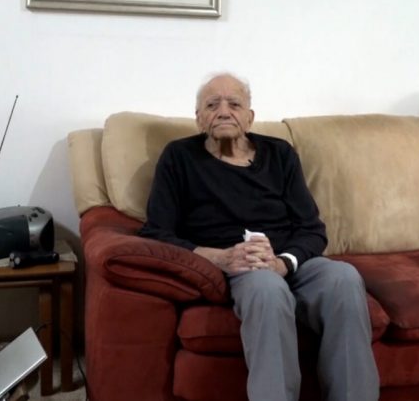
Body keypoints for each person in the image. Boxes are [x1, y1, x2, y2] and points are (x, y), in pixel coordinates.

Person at [138, 73, 379, 401]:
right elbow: (156, 233)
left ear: (250, 117)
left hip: (286, 260)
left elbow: (311, 229)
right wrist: (219, 257)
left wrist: (282, 263)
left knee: (344, 278)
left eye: (234, 104)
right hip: (235, 265)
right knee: (267, 289)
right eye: (212, 105)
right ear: (198, 118)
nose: (224, 112)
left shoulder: (280, 154)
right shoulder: (179, 157)